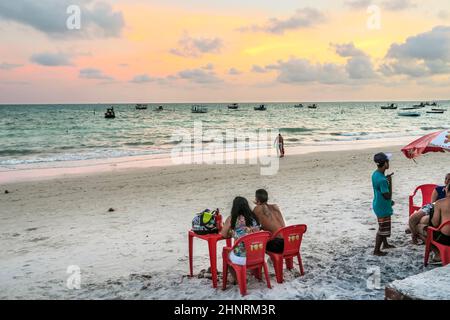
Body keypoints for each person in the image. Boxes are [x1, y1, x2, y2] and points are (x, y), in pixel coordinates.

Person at [408, 173, 450, 244]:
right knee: (413, 218)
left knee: (423, 221)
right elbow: (432, 204)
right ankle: (414, 235)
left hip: (441, 213)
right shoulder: (438, 189)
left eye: (449, 179)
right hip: (432, 207)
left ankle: (414, 230)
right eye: (446, 179)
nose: (447, 181)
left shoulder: (447, 193)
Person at [221, 197, 260, 266]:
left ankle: (236, 276)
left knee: (226, 256)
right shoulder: (254, 217)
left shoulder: (232, 219)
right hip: (257, 255)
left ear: (234, 208)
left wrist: (231, 232)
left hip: (242, 257)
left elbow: (224, 234)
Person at [371, 152, 396, 256]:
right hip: (383, 207)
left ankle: (385, 244)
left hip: (378, 204)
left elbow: (381, 193)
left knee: (382, 226)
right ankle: (376, 250)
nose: (389, 163)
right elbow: (387, 196)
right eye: (388, 161)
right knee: (382, 229)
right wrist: (390, 182)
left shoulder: (376, 174)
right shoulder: (382, 180)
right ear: (385, 163)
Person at [253, 189, 286, 253]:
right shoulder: (275, 206)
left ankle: (262, 261)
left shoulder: (257, 209)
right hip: (287, 242)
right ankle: (273, 260)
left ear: (257, 199)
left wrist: (258, 205)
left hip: (277, 245)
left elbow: (252, 225)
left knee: (255, 245)